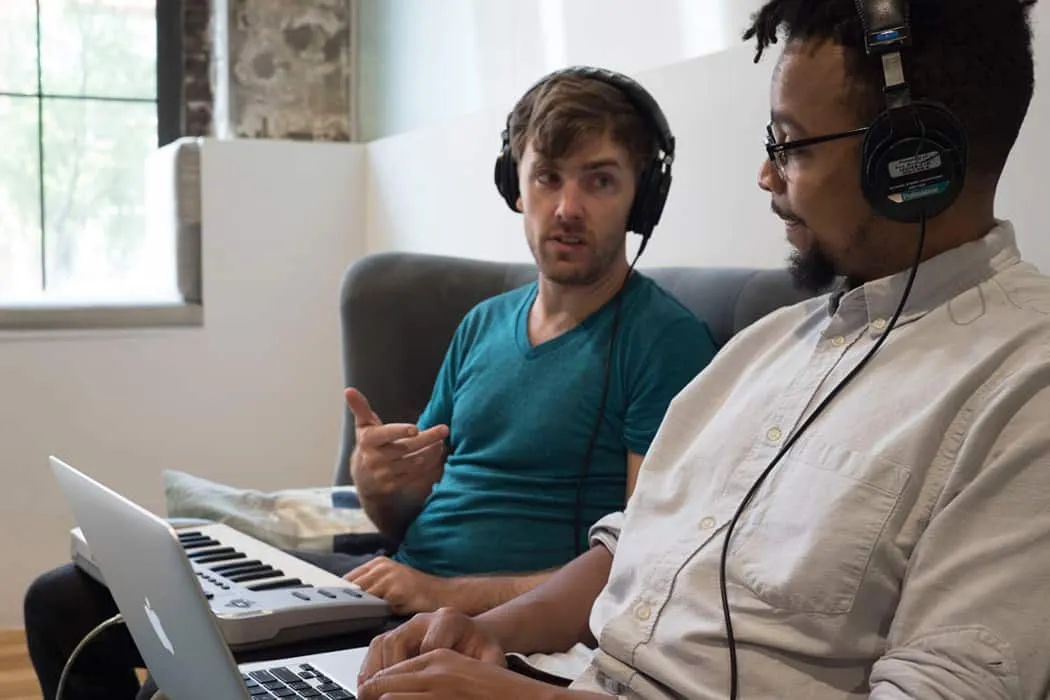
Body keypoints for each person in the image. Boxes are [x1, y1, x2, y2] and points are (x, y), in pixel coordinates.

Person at [353, 1, 1050, 699]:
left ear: (911, 159)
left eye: (792, 145)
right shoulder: (766, 347)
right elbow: (633, 544)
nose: (767, 176)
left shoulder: (1026, 383)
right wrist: (486, 634)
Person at [23, 67, 719, 700]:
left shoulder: (664, 342)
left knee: (179, 684)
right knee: (61, 601)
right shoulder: (483, 324)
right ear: (516, 185)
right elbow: (400, 518)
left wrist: (448, 594)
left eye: (599, 181)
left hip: (483, 628)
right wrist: (378, 482)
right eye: (548, 177)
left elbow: (640, 569)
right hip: (392, 587)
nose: (567, 206)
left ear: (642, 198)